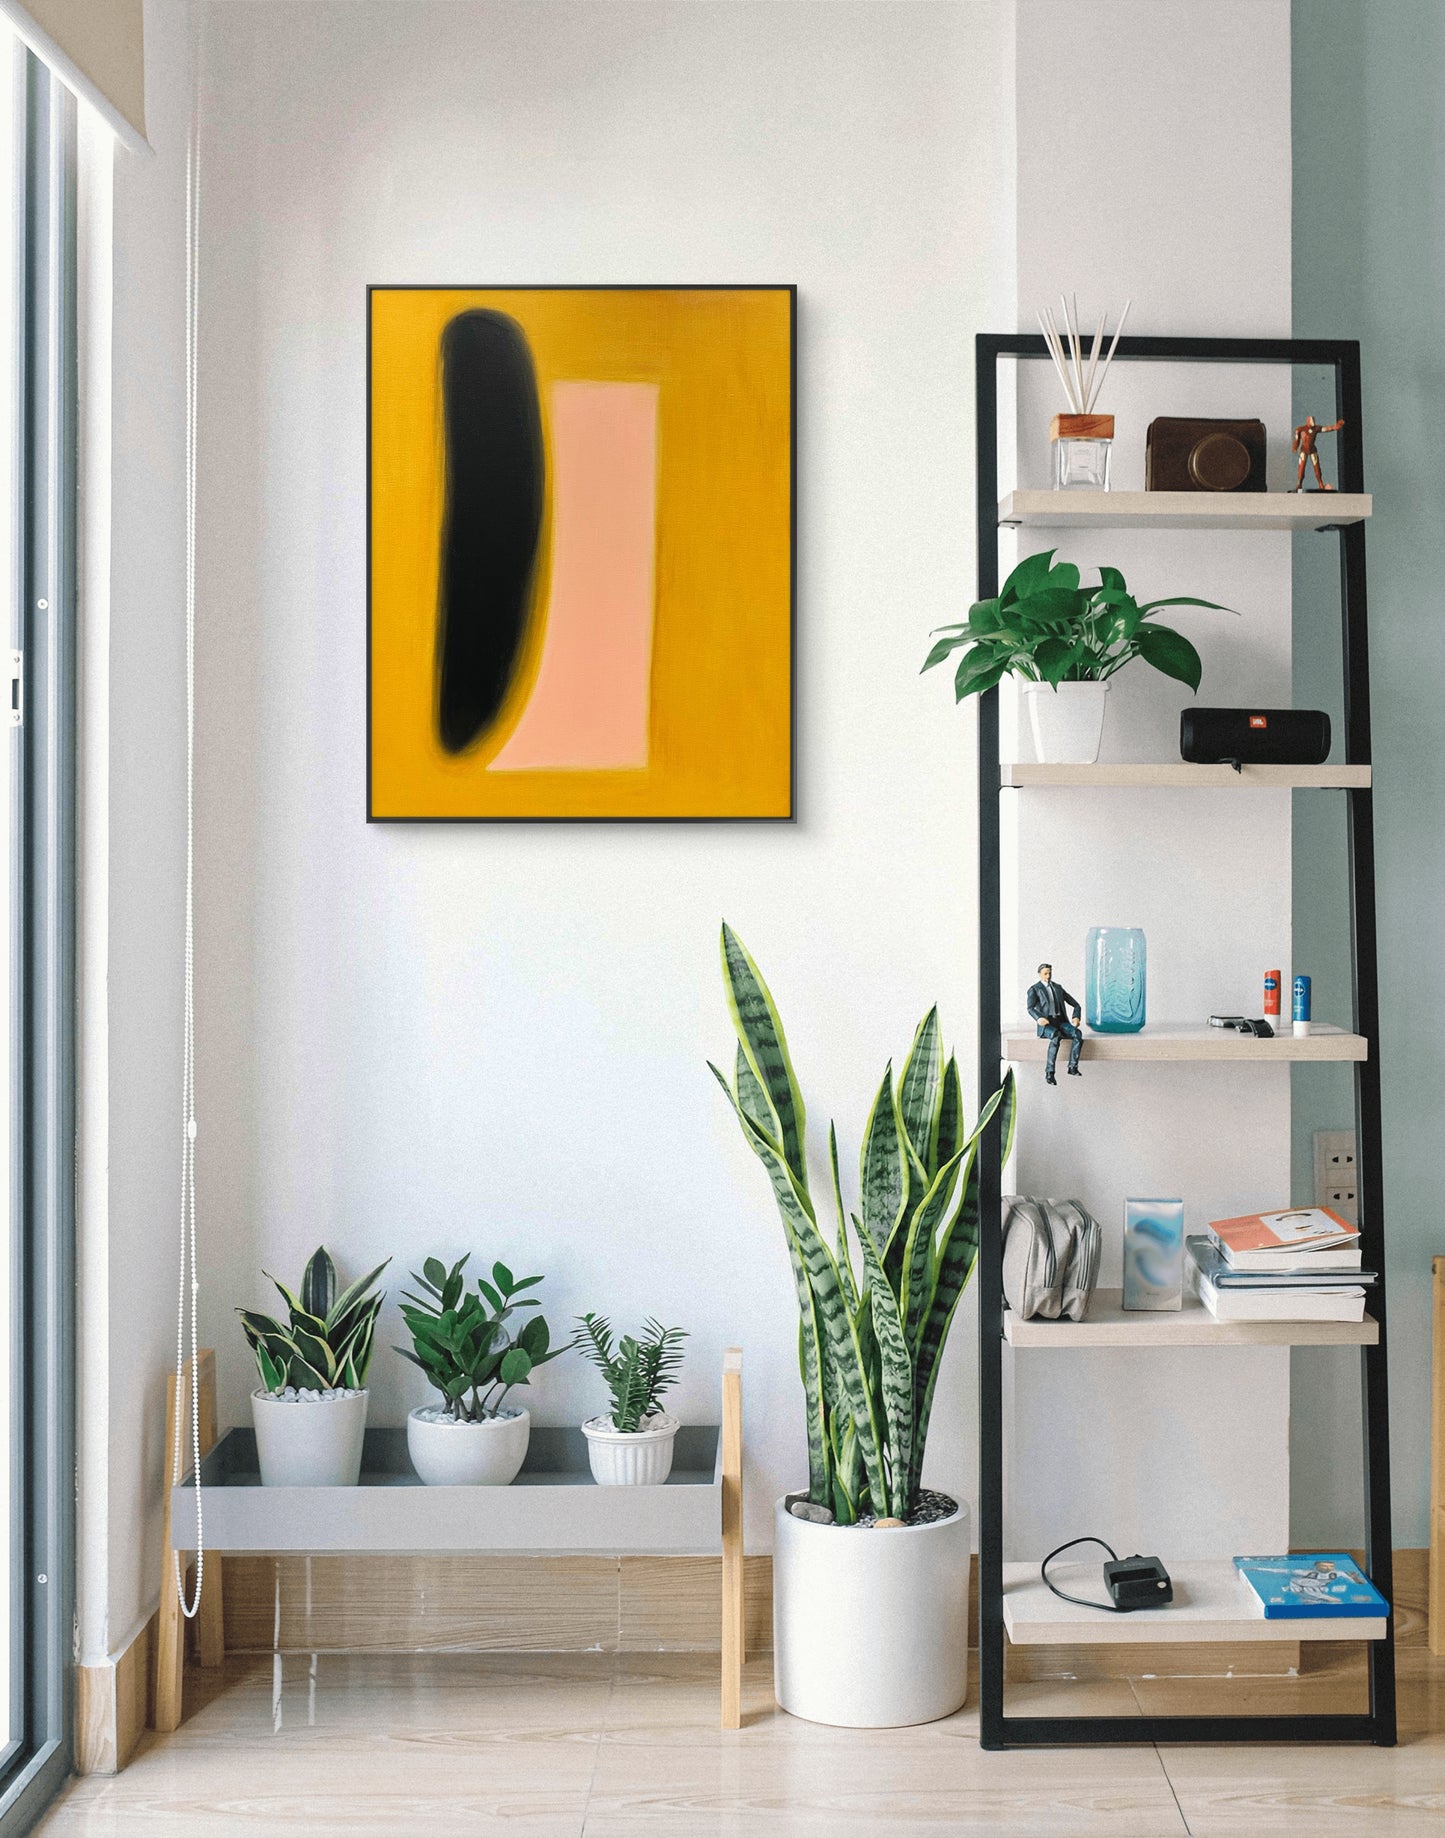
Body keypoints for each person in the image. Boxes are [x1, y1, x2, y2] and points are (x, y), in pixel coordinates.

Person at [1026, 962, 1083, 1085]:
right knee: (1056, 1036)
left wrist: (1076, 1017)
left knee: (1077, 1034)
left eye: (1049, 973)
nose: (1048, 976)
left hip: (1060, 1021)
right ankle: (1050, 1072)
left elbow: (1076, 1004)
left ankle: (1072, 1066)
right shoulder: (1035, 989)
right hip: (1047, 1024)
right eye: (1045, 973)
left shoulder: (1058, 988)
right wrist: (1038, 1018)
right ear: (1040, 974)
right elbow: (1030, 1008)